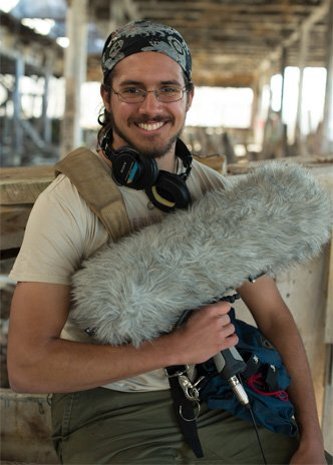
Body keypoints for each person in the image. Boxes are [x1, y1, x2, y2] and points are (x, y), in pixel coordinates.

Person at [7, 20, 328, 464]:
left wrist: (311, 439)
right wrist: (176, 349)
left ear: (188, 97)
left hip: (214, 397)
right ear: (107, 97)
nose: (150, 106)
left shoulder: (214, 192)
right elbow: (27, 366)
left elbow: (274, 316)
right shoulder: (67, 203)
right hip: (112, 408)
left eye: (167, 89)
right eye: (132, 90)